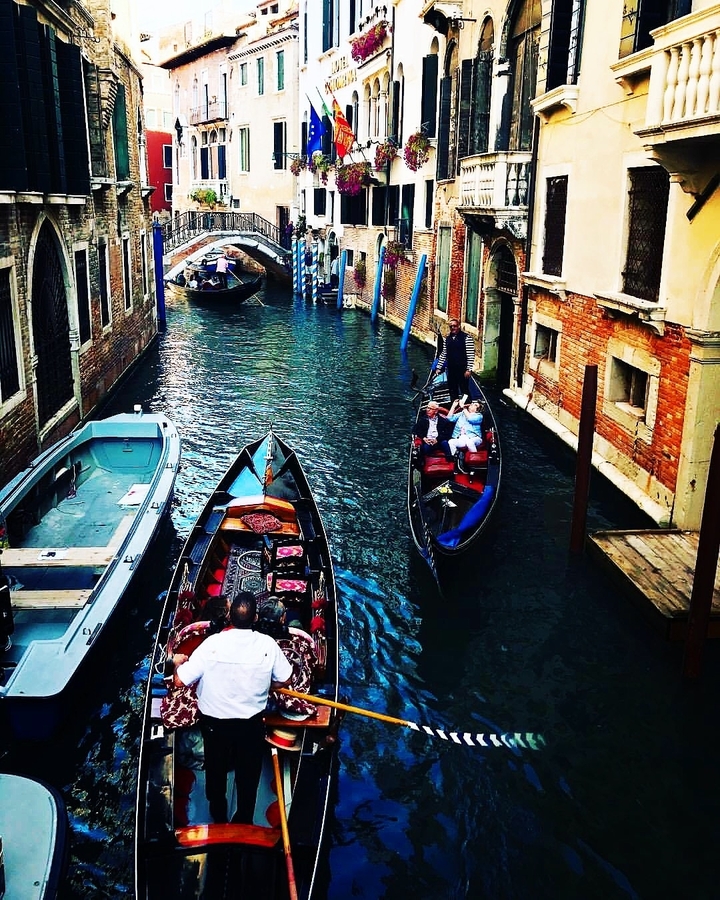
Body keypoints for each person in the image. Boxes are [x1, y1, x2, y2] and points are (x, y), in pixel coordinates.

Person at [172, 591, 292, 825]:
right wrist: (267, 685)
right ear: (255, 618)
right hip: (250, 726)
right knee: (248, 776)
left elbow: (179, 682)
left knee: (215, 770)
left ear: (229, 616)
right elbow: (285, 679)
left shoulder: (211, 644)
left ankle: (218, 815)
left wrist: (178, 663)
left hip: (215, 726)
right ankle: (244, 819)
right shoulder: (268, 644)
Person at [436, 319, 476, 401]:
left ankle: (467, 405)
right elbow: (444, 353)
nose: (452, 328)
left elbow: (471, 355)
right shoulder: (447, 339)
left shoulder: (467, 338)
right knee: (452, 388)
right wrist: (439, 367)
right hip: (451, 368)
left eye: (454, 326)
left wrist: (469, 369)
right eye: (451, 326)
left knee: (464, 389)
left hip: (462, 369)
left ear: (459, 326)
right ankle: (454, 405)